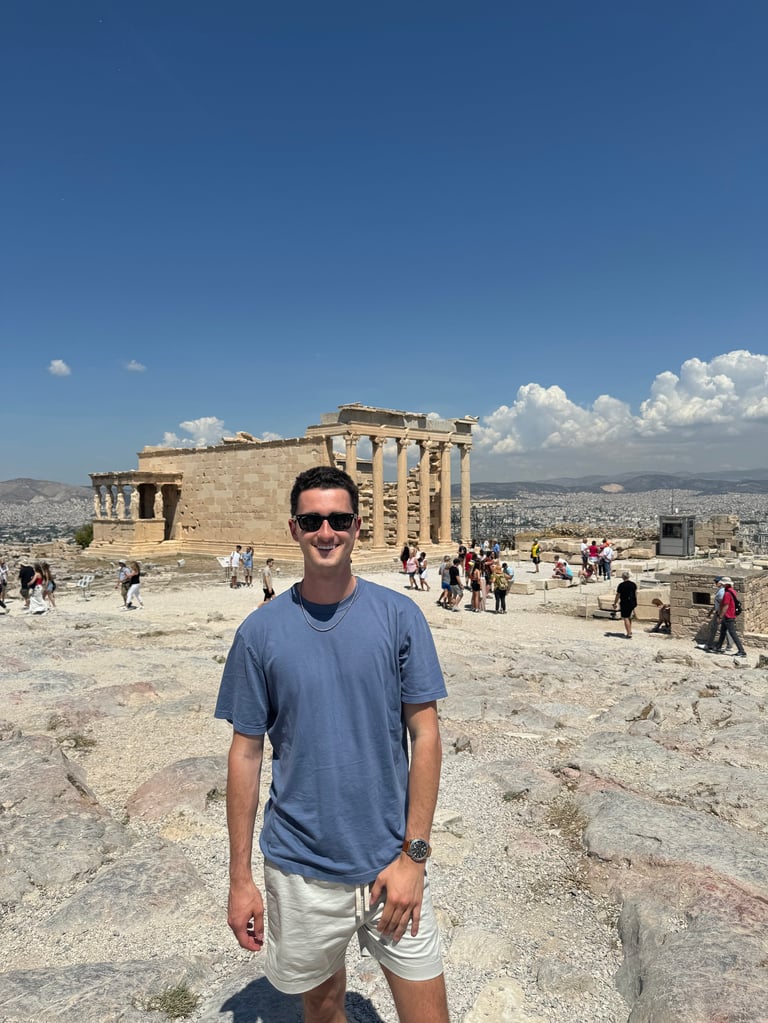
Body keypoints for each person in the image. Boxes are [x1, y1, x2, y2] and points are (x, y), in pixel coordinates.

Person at [215, 466, 449, 1023]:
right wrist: (240, 879)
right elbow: (245, 755)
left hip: (391, 861)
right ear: (294, 529)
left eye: (339, 519)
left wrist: (414, 856)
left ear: (357, 527)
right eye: (313, 520)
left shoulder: (400, 617)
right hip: (300, 868)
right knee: (322, 1011)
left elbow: (426, 734)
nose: (327, 531)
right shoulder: (260, 631)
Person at [711, 578, 746, 657]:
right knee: (723, 631)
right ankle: (718, 647)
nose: (722, 584)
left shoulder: (727, 593)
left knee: (733, 633)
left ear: (726, 584)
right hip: (730, 614)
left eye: (723, 583)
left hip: (728, 615)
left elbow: (725, 606)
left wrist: (720, 616)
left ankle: (742, 651)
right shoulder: (732, 591)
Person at [704, 577, 732, 652]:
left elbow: (722, 604)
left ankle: (709, 644)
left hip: (720, 613)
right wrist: (711, 611)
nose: (715, 583)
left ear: (721, 582)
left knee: (716, 628)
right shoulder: (721, 590)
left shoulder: (722, 592)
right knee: (725, 628)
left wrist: (719, 615)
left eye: (716, 582)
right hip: (720, 612)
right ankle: (729, 645)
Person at [613, 571, 637, 638]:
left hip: (625, 602)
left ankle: (629, 633)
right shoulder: (633, 584)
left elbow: (618, 595)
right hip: (632, 602)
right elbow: (635, 593)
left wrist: (615, 603)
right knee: (629, 616)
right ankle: (630, 630)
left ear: (623, 577)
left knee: (626, 617)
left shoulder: (621, 585)